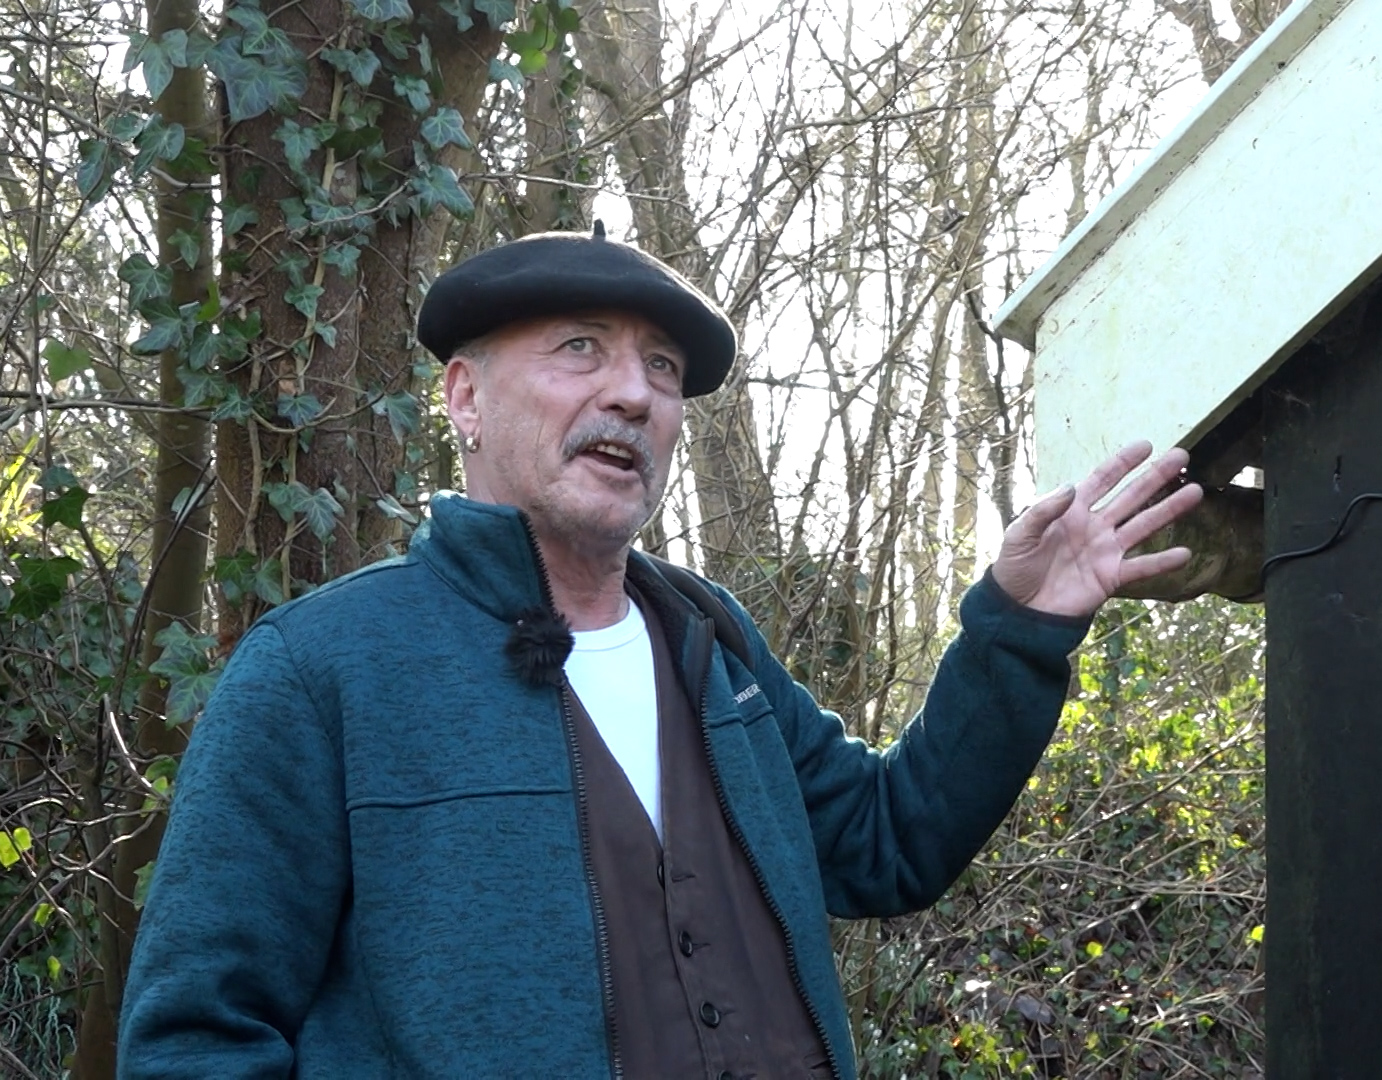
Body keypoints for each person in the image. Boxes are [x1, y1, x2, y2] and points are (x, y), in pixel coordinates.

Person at [117, 224, 1203, 1079]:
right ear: (465, 397)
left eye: (663, 368)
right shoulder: (321, 668)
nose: (633, 393)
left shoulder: (708, 638)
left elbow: (888, 844)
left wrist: (1018, 627)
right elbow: (198, 1037)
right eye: (578, 348)